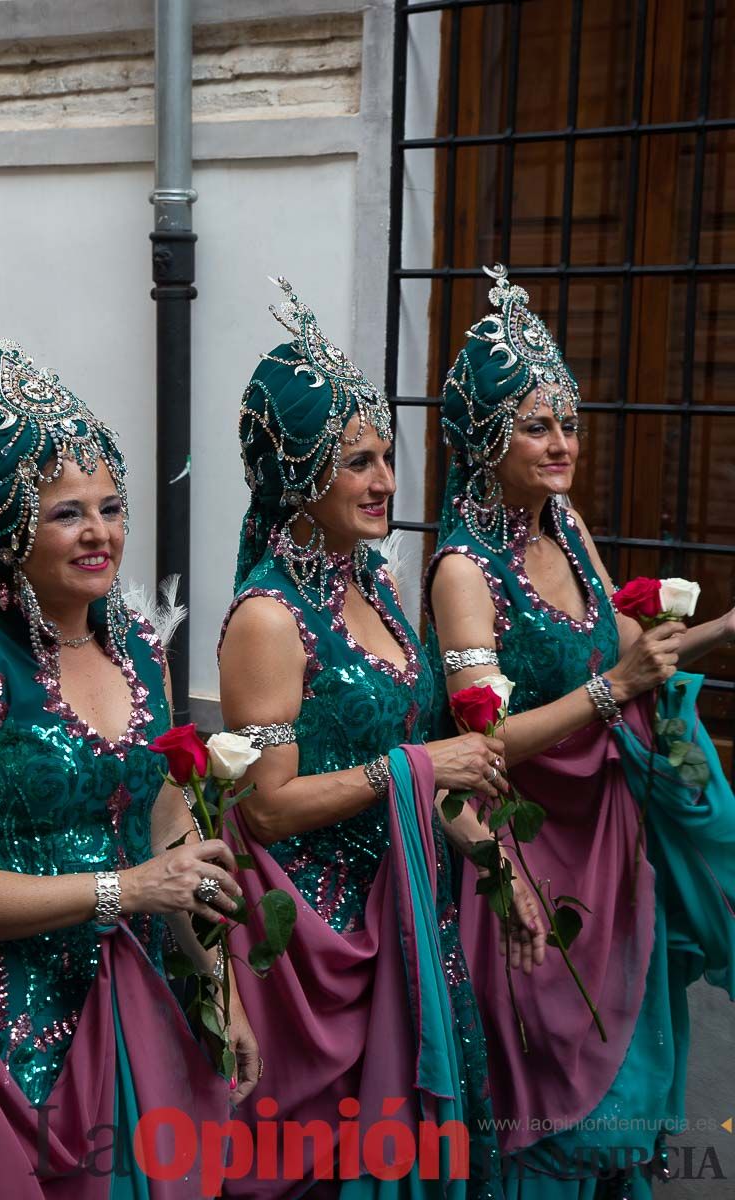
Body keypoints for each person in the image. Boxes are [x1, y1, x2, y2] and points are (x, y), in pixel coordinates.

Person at [217, 276, 546, 1199]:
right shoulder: (268, 620)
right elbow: (270, 811)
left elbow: (428, 774)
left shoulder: (378, 595)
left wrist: (495, 857)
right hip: (314, 948)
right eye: (358, 460)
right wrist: (413, 764)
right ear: (298, 473)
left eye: (388, 456)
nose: (388, 482)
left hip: (405, 913)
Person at [425, 264, 735, 1198]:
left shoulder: (566, 527)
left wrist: (717, 634)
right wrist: (612, 692)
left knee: (630, 1064)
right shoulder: (462, 573)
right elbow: (483, 744)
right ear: (486, 439)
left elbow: (631, 641)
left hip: (612, 839)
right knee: (551, 1087)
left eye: (568, 422)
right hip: (529, 852)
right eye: (536, 425)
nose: (562, 444)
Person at [0, 302, 257, 1198]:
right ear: (5, 530)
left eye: (111, 508)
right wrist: (117, 892)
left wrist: (217, 988)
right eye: (66, 513)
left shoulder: (140, 651)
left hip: (136, 1013)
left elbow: (169, 846)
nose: (100, 534)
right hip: (4, 1043)